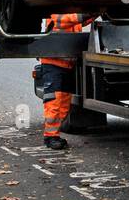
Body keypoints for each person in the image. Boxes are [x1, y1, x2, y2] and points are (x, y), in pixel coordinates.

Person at [37, 12, 93, 150]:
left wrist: (96, 13)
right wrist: (88, 13)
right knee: (54, 101)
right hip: (53, 64)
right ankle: (50, 136)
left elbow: (81, 22)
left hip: (67, 65)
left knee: (64, 103)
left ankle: (54, 134)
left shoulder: (74, 15)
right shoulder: (56, 13)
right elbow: (66, 20)